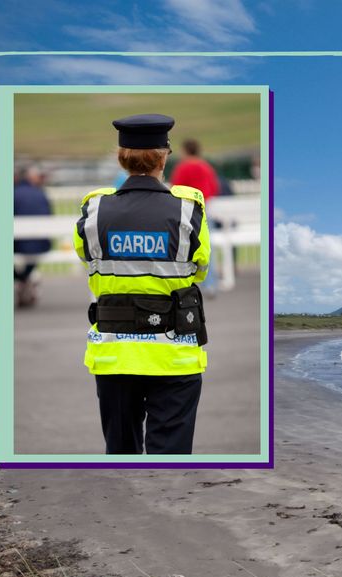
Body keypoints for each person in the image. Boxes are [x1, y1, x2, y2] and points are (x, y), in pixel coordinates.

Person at [73, 113, 210, 455]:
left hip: (114, 355)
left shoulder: (95, 208)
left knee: (120, 453)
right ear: (164, 156)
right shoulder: (187, 208)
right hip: (175, 354)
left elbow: (84, 255)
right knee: (172, 457)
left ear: (121, 157)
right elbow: (200, 269)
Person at [169, 139, 224, 294]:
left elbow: (175, 188)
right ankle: (211, 284)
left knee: (182, 249)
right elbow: (214, 188)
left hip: (185, 213)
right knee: (206, 249)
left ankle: (185, 285)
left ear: (185, 150)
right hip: (204, 211)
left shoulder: (183, 167)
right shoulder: (206, 167)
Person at [13, 165, 52, 308]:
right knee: (33, 252)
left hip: (17, 245)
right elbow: (49, 217)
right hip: (39, 244)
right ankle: (24, 280)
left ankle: (20, 280)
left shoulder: (13, 193)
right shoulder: (40, 194)